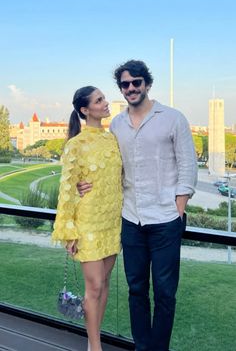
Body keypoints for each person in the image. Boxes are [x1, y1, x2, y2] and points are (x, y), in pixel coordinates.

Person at [78, 60, 198, 351]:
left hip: (166, 220)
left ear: (147, 84)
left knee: (166, 293)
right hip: (130, 220)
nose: (130, 88)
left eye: (136, 82)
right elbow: (110, 166)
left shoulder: (172, 118)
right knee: (136, 291)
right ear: (121, 88)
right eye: (125, 84)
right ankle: (143, 347)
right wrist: (86, 183)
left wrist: (178, 207)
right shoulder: (116, 124)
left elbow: (188, 166)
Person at [52, 86, 122, 351]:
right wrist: (69, 231)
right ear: (85, 110)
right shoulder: (75, 144)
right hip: (89, 224)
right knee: (93, 286)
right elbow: (67, 189)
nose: (106, 103)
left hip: (111, 223)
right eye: (99, 100)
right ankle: (94, 346)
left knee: (104, 284)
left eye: (104, 98)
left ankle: (96, 338)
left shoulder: (112, 139)